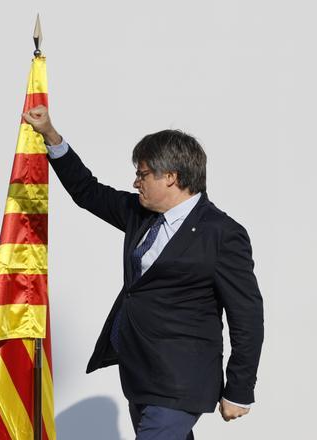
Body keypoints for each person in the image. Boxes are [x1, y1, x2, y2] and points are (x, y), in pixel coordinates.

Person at [22, 105, 264, 440]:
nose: (136, 182)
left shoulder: (221, 234)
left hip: (183, 381)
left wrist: (239, 388)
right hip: (140, 373)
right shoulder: (141, 214)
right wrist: (51, 135)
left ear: (171, 177)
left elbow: (247, 316)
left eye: (143, 174)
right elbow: (87, 192)